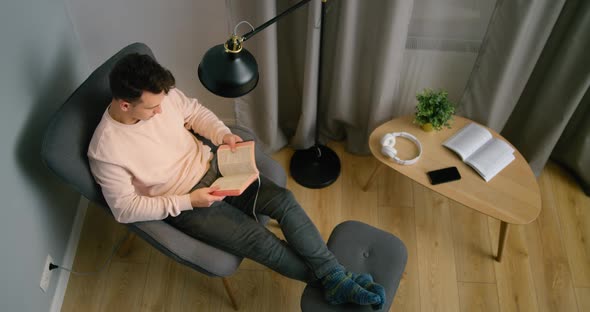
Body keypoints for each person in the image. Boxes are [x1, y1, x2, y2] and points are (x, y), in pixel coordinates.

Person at [88, 53, 385, 308]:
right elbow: (124, 209)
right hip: (188, 201)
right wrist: (188, 200)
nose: (161, 110)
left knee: (283, 200)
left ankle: (335, 278)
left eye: (162, 102)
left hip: (216, 166)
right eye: (152, 108)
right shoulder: (106, 149)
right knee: (258, 240)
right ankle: (335, 281)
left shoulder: (160, 96)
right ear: (125, 105)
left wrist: (221, 134)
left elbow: (193, 112)